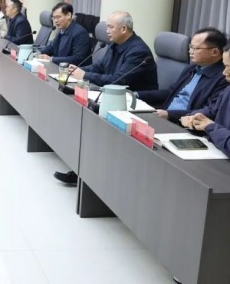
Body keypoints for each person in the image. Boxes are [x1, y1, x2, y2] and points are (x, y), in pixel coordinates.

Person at [55, 11, 158, 185]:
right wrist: (78, 70)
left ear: (123, 29)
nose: (106, 30)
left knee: (91, 124)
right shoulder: (114, 45)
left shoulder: (138, 51)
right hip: (113, 98)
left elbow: (118, 80)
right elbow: (100, 67)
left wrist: (85, 75)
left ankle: (85, 174)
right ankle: (81, 167)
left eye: (110, 27)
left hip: (134, 103)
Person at [138, 27, 228, 122]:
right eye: (190, 47)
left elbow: (209, 112)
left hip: (185, 124)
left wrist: (169, 115)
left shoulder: (224, 78)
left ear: (214, 52)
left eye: (196, 48)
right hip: (165, 116)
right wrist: (137, 94)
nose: (190, 51)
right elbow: (171, 92)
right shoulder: (191, 68)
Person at [180, 42, 230, 159]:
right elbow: (212, 110)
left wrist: (210, 126)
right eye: (224, 67)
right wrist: (195, 117)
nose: (224, 73)